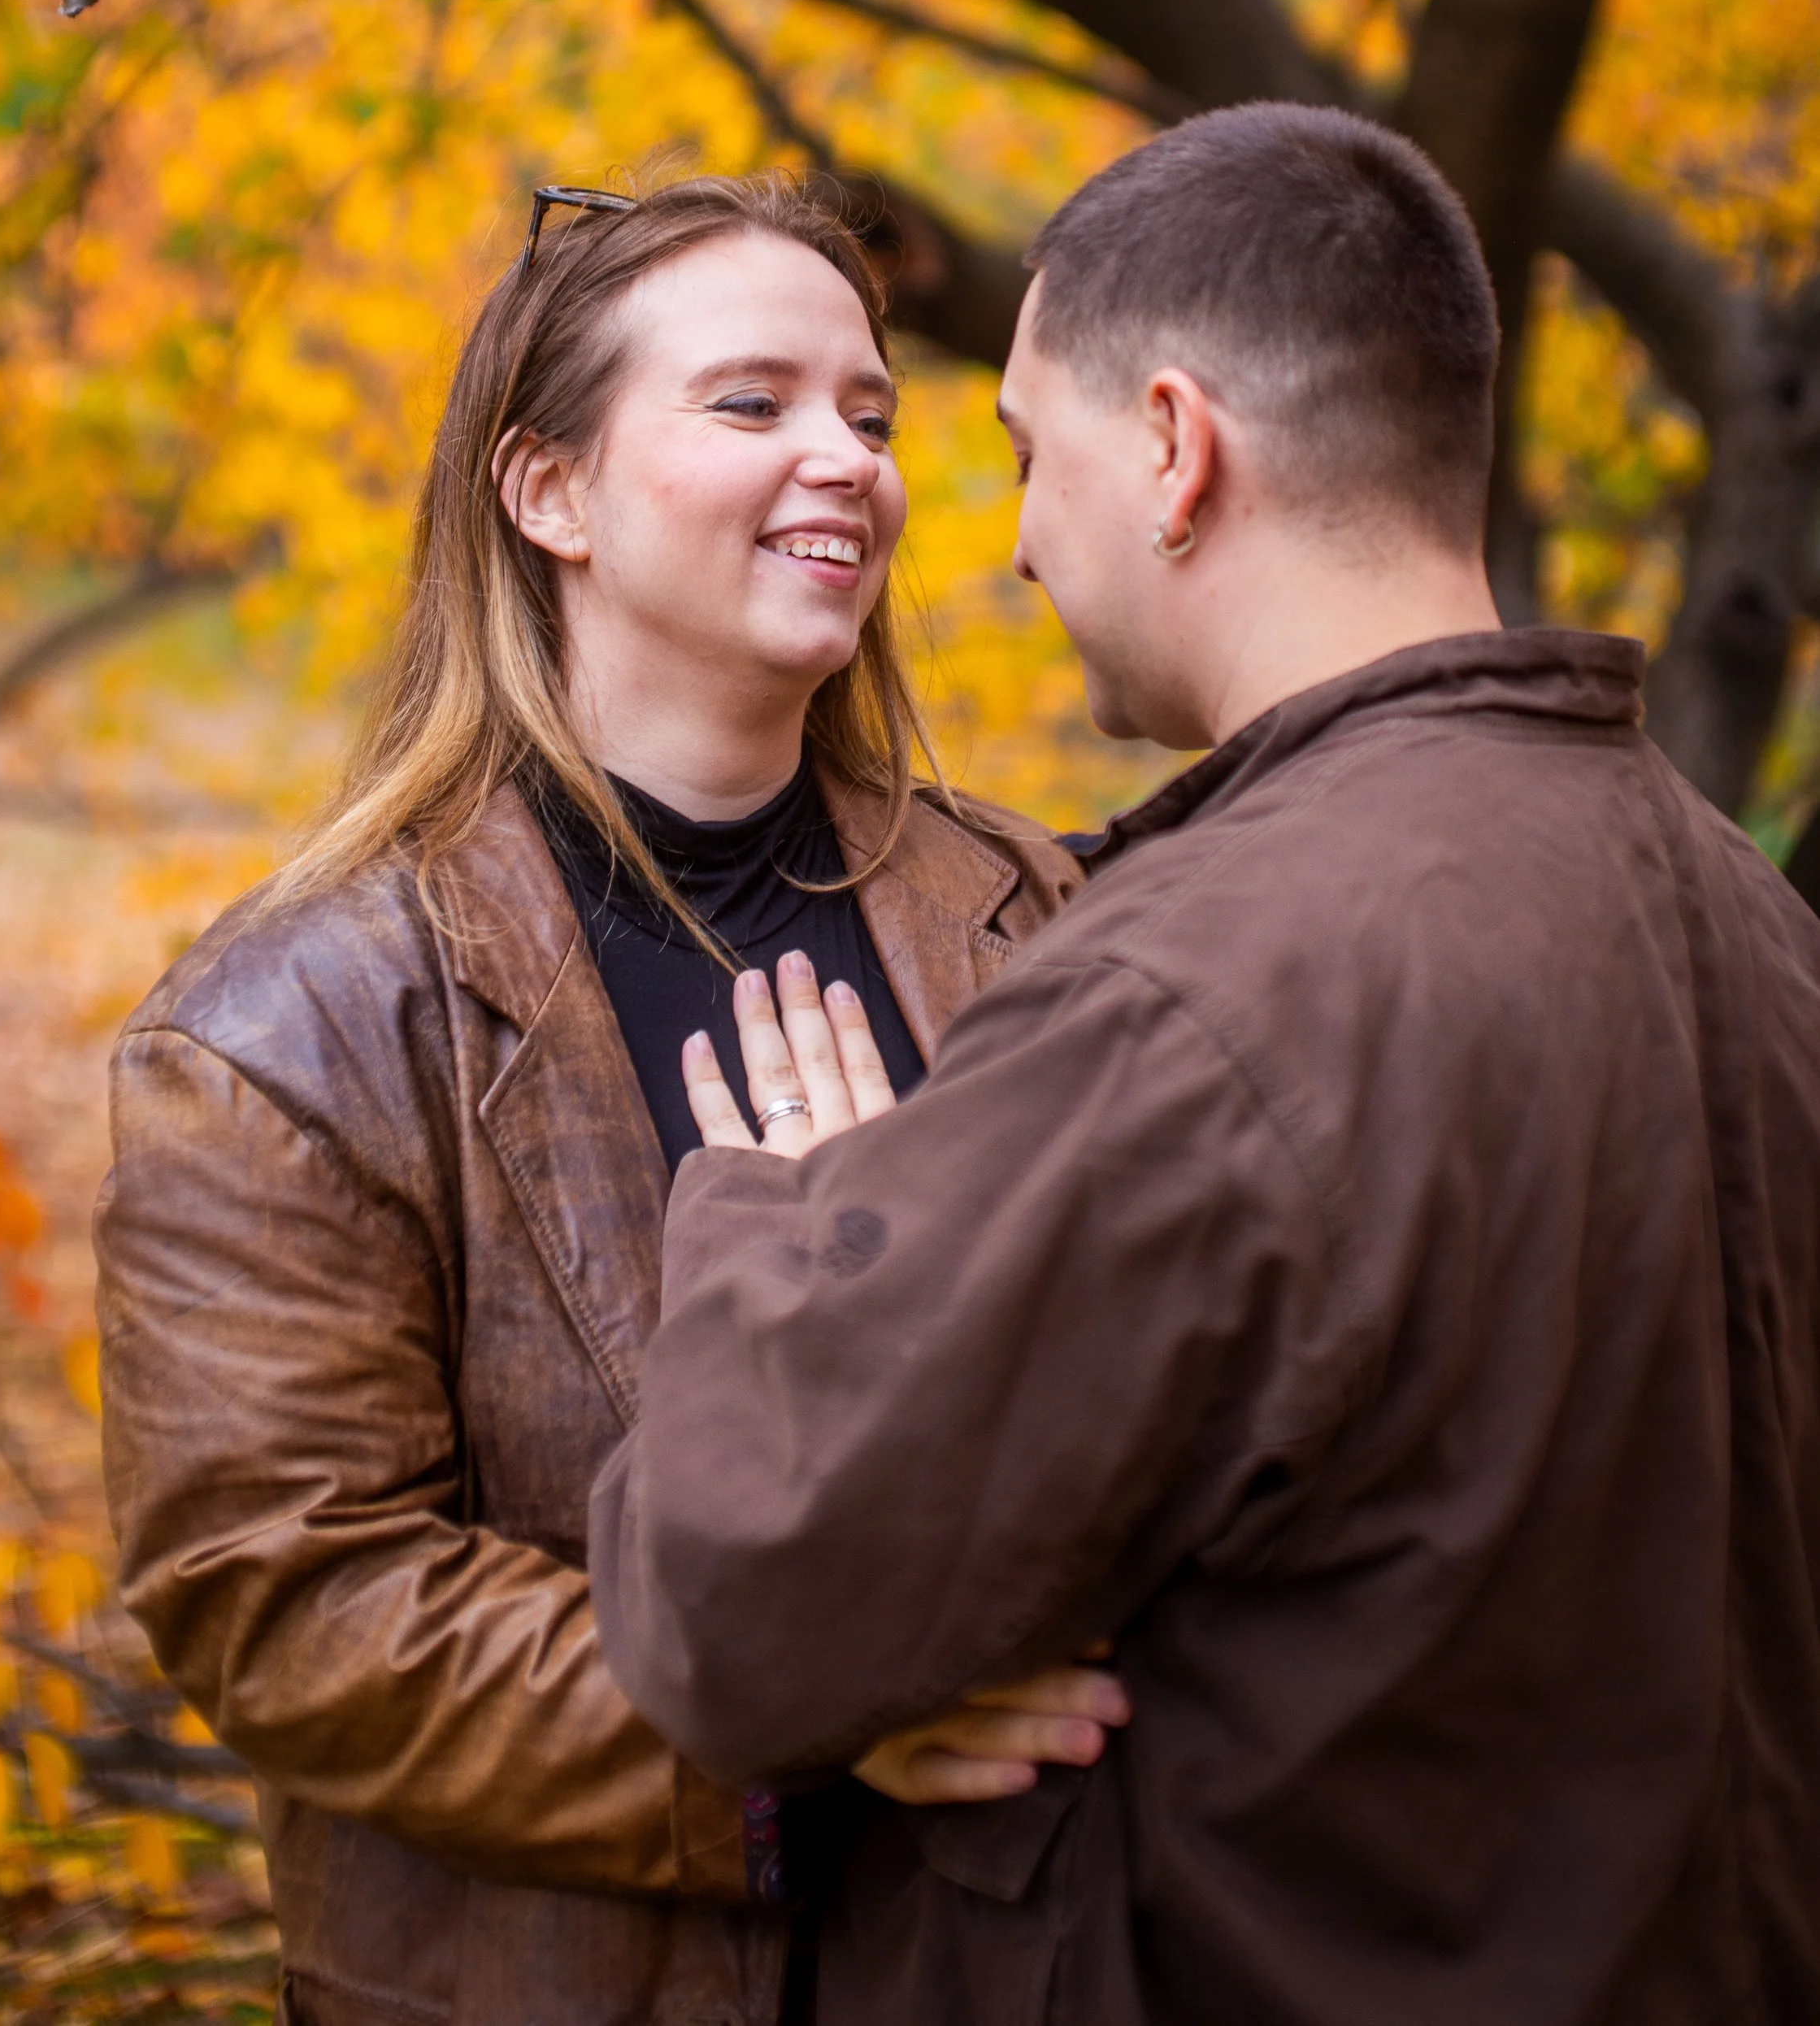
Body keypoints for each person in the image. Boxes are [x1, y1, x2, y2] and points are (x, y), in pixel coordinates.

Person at [589, 106, 1820, 2026]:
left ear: (1171, 449)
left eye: (1016, 451)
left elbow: (739, 1616)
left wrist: (785, 1228)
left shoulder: (1204, 989)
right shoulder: (1757, 929)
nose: (1003, 542)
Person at [92, 172, 1117, 2026]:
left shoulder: (1033, 918)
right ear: (544, 489)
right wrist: (794, 1724)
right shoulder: (295, 1022)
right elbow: (286, 1597)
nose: (846, 459)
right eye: (753, 404)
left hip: (1001, 1957)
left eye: (870, 415)